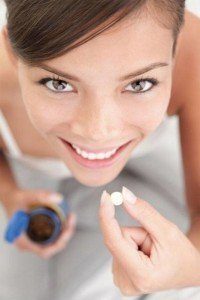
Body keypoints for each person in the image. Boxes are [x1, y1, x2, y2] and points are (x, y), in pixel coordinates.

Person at [0, 0, 200, 299]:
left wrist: (191, 268)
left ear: (175, 48)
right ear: (13, 53)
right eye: (57, 83)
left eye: (140, 84)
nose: (98, 132)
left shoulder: (193, 53)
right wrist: (9, 193)